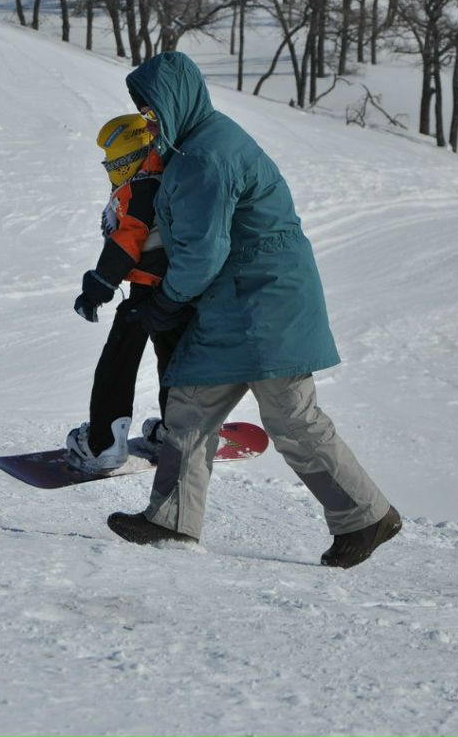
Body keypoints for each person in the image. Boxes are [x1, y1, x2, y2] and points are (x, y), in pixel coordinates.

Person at [107, 51, 401, 569]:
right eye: (143, 111)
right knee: (192, 405)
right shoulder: (198, 143)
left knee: (291, 415)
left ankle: (366, 517)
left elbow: (202, 250)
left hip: (265, 300)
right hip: (239, 301)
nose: (148, 120)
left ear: (175, 100)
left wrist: (169, 300)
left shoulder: (206, 155)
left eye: (151, 108)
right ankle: (171, 522)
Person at [65, 114, 188, 472]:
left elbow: (127, 241)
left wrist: (96, 290)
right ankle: (175, 431)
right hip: (176, 291)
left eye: (114, 162)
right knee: (173, 361)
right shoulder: (166, 175)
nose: (110, 170)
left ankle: (104, 444)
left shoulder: (143, 186)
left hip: (147, 291)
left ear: (131, 156)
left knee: (117, 361)